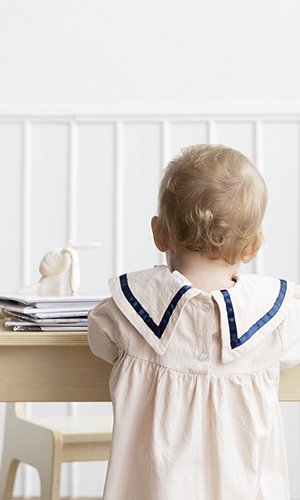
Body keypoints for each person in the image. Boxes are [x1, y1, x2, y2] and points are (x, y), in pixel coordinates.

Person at [88, 144, 300, 500]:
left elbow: (99, 340)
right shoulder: (274, 316)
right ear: (253, 246)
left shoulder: (132, 308)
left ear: (159, 233)